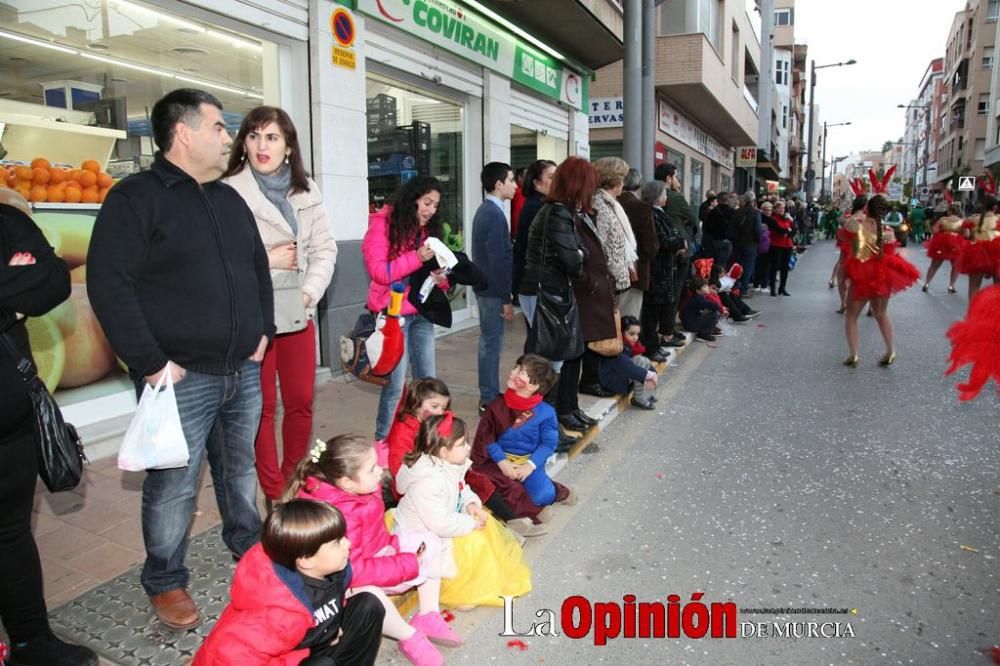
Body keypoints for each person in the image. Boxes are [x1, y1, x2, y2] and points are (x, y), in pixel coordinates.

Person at [88, 89, 274, 630]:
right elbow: (109, 284)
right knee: (173, 485)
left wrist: (260, 332)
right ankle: (165, 580)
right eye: (219, 127)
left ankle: (248, 542)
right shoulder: (135, 198)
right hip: (179, 376)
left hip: (242, 370)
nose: (228, 137)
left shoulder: (228, 198)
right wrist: (150, 362)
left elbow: (256, 269)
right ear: (184, 133)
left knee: (238, 469)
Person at [222, 105, 337, 507]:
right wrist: (264, 258)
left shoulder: (307, 189)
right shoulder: (228, 189)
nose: (261, 145)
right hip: (253, 309)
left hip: (297, 308)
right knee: (262, 407)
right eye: (253, 136)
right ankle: (274, 491)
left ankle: (294, 478)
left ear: (288, 146)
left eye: (271, 137)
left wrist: (308, 294)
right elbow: (218, 257)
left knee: (301, 400)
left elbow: (325, 249)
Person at [0, 192, 96, 665]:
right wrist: (10, 286)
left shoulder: (4, 218)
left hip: (9, 423)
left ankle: (29, 642)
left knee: (11, 534)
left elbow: (53, 280)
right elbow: (29, 285)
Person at [287, 434, 452, 665]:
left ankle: (428, 614)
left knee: (429, 542)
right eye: (372, 468)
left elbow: (375, 533)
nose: (380, 471)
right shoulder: (339, 513)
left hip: (373, 557)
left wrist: (395, 548)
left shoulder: (360, 488)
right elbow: (352, 570)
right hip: (347, 579)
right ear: (346, 482)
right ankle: (408, 636)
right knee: (371, 594)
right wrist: (404, 563)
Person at [192, 500, 385, 666]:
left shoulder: (334, 570)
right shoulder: (277, 615)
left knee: (368, 605)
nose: (348, 544)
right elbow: (229, 656)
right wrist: (305, 653)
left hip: (314, 641)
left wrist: (331, 628)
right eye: (336, 542)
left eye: (343, 537)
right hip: (294, 655)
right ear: (306, 561)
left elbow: (331, 598)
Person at [394, 413, 532, 608]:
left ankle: (471, 581)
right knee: (474, 543)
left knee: (484, 524)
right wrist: (469, 523)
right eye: (462, 444)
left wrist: (470, 504)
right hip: (425, 535)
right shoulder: (428, 482)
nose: (468, 447)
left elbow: (462, 489)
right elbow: (439, 525)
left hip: (443, 522)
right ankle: (460, 588)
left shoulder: (448, 465)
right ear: (443, 451)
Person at [385, 379, 544, 538]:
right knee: (475, 488)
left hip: (446, 473)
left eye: (443, 407)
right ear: (415, 404)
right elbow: (402, 468)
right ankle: (507, 526)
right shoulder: (403, 431)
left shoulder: (444, 421)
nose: (440, 412)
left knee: (483, 483)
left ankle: (513, 520)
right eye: (434, 406)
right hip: (423, 485)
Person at [363, 176, 445, 440]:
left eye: (435, 205)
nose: (431, 210)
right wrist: (416, 257)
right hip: (393, 317)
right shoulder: (382, 225)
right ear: (412, 200)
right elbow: (379, 272)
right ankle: (382, 445)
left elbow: (428, 276)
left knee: (427, 383)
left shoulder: (427, 232)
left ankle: (425, 439)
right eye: (427, 202)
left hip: (421, 313)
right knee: (395, 386)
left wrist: (442, 279)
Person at [516, 157, 593, 437]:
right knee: (546, 366)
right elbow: (574, 260)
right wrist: (582, 255)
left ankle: (544, 428)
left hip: (542, 290)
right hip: (546, 292)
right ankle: (541, 430)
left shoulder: (553, 210)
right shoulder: (558, 213)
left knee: (546, 363)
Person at [471, 355, 577, 524]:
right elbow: (487, 439)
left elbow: (548, 444)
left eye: (520, 371)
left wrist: (529, 466)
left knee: (542, 497)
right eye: (515, 367)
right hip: (497, 464)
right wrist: (502, 462)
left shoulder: (546, 413)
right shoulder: (496, 406)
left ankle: (556, 490)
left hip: (527, 465)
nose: (512, 373)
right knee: (485, 482)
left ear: (534, 385)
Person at [842, 178, 920, 367]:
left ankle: (854, 355)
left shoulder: (856, 224)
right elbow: (891, 251)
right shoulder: (887, 231)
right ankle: (890, 350)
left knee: (851, 316)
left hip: (861, 274)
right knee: (881, 313)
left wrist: (858, 214)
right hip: (881, 274)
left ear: (867, 208)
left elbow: (844, 225)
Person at [472, 162, 516, 412]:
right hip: (491, 291)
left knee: (490, 342)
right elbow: (497, 261)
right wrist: (505, 298)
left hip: (488, 289)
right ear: (499, 184)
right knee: (491, 343)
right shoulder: (492, 213)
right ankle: (488, 398)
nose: (515, 185)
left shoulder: (490, 211)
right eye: (511, 180)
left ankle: (489, 394)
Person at [639, 180, 686, 358]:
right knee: (652, 311)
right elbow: (663, 240)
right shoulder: (652, 214)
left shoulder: (660, 213)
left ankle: (658, 342)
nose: (666, 197)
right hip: (658, 269)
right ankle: (650, 347)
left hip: (666, 268)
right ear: (656, 196)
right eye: (664, 194)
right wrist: (680, 243)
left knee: (660, 308)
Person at [591, 158, 639, 309]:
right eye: (622, 179)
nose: (624, 184)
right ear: (615, 182)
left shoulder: (609, 203)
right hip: (606, 281)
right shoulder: (600, 205)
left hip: (610, 279)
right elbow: (600, 245)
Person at [511, 159, 557, 304]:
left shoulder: (544, 204)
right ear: (536, 183)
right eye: (551, 177)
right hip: (535, 283)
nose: (557, 181)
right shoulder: (537, 207)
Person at [655, 163, 698, 297]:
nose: (677, 180)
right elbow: (694, 220)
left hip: (660, 246)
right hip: (680, 248)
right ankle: (671, 317)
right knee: (677, 288)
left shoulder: (651, 193)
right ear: (668, 179)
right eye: (676, 177)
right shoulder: (676, 197)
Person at [597, 316, 659, 410]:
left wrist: (651, 371)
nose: (635, 338)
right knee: (641, 362)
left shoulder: (627, 345)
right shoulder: (616, 347)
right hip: (610, 383)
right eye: (631, 334)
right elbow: (627, 367)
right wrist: (649, 374)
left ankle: (641, 395)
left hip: (618, 376)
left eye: (637, 334)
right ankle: (639, 399)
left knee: (643, 362)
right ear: (621, 332)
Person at [956, 192, 999, 302]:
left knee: (974, 285)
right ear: (995, 207)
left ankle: (972, 311)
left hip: (977, 252)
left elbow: (965, 235)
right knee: (997, 287)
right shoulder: (998, 219)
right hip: (997, 252)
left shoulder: (973, 219)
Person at [922, 201, 966, 294]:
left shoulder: (943, 219)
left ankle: (926, 283)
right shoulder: (962, 221)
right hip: (956, 245)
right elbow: (966, 234)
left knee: (934, 265)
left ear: (949, 211)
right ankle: (951, 285)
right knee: (955, 266)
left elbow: (935, 231)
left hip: (941, 244)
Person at [766, 200, 795, 297]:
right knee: (775, 267)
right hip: (777, 245)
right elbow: (779, 230)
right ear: (775, 209)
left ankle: (782, 288)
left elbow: (794, 230)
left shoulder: (787, 219)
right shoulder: (772, 219)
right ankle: (773, 288)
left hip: (787, 245)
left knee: (785, 268)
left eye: (783, 208)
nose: (782, 210)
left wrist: (789, 228)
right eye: (779, 208)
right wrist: (787, 231)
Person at [733, 193, 760, 296]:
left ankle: (735, 286)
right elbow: (757, 230)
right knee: (748, 266)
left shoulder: (738, 212)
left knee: (738, 265)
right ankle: (743, 289)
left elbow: (733, 226)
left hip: (738, 242)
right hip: (750, 243)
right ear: (753, 201)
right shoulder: (755, 213)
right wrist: (757, 240)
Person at [681, 277, 723, 343]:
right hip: (690, 325)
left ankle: (708, 330)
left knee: (711, 312)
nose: (707, 287)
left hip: (689, 322)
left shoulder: (698, 296)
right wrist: (710, 295)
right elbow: (716, 306)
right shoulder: (698, 298)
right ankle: (703, 334)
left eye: (706, 285)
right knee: (714, 314)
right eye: (704, 286)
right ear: (698, 291)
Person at [702, 191, 734, 267]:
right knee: (723, 264)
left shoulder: (713, 212)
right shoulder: (732, 212)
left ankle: (715, 277)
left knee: (715, 263)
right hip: (727, 240)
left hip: (715, 240)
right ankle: (721, 276)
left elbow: (708, 227)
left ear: (718, 200)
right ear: (727, 200)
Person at [753, 201, 772, 292]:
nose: (768, 212)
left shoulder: (769, 219)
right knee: (761, 266)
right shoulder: (760, 219)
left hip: (767, 246)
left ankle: (761, 284)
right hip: (761, 246)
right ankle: (760, 285)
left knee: (763, 266)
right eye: (766, 210)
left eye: (769, 210)